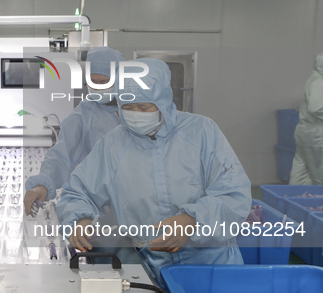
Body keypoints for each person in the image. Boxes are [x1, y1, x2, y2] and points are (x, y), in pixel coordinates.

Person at [56, 58, 251, 286]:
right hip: (153, 267)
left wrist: (192, 220)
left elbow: (234, 194)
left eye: (143, 107)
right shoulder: (113, 145)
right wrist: (79, 218)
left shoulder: (202, 132)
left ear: (164, 101)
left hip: (211, 264)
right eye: (128, 107)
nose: (135, 114)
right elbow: (79, 191)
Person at [23, 47, 124, 213]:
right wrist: (42, 184)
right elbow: (62, 155)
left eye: (103, 82)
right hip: (102, 202)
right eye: (92, 82)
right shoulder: (83, 115)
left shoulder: (136, 109)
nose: (97, 88)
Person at [290, 53, 323, 185]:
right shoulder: (319, 83)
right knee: (319, 174)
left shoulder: (313, 79)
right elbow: (316, 108)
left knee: (300, 171)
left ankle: (292, 199)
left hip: (306, 132)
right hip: (315, 135)